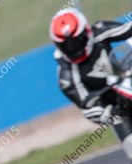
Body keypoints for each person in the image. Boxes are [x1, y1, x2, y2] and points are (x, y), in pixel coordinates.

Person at [51, 8, 132, 155]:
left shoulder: (100, 32)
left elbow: (128, 29)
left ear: (86, 32)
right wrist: (107, 113)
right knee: (130, 145)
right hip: (117, 108)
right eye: (66, 45)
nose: (72, 48)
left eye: (75, 42)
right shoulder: (67, 76)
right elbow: (87, 107)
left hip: (128, 82)